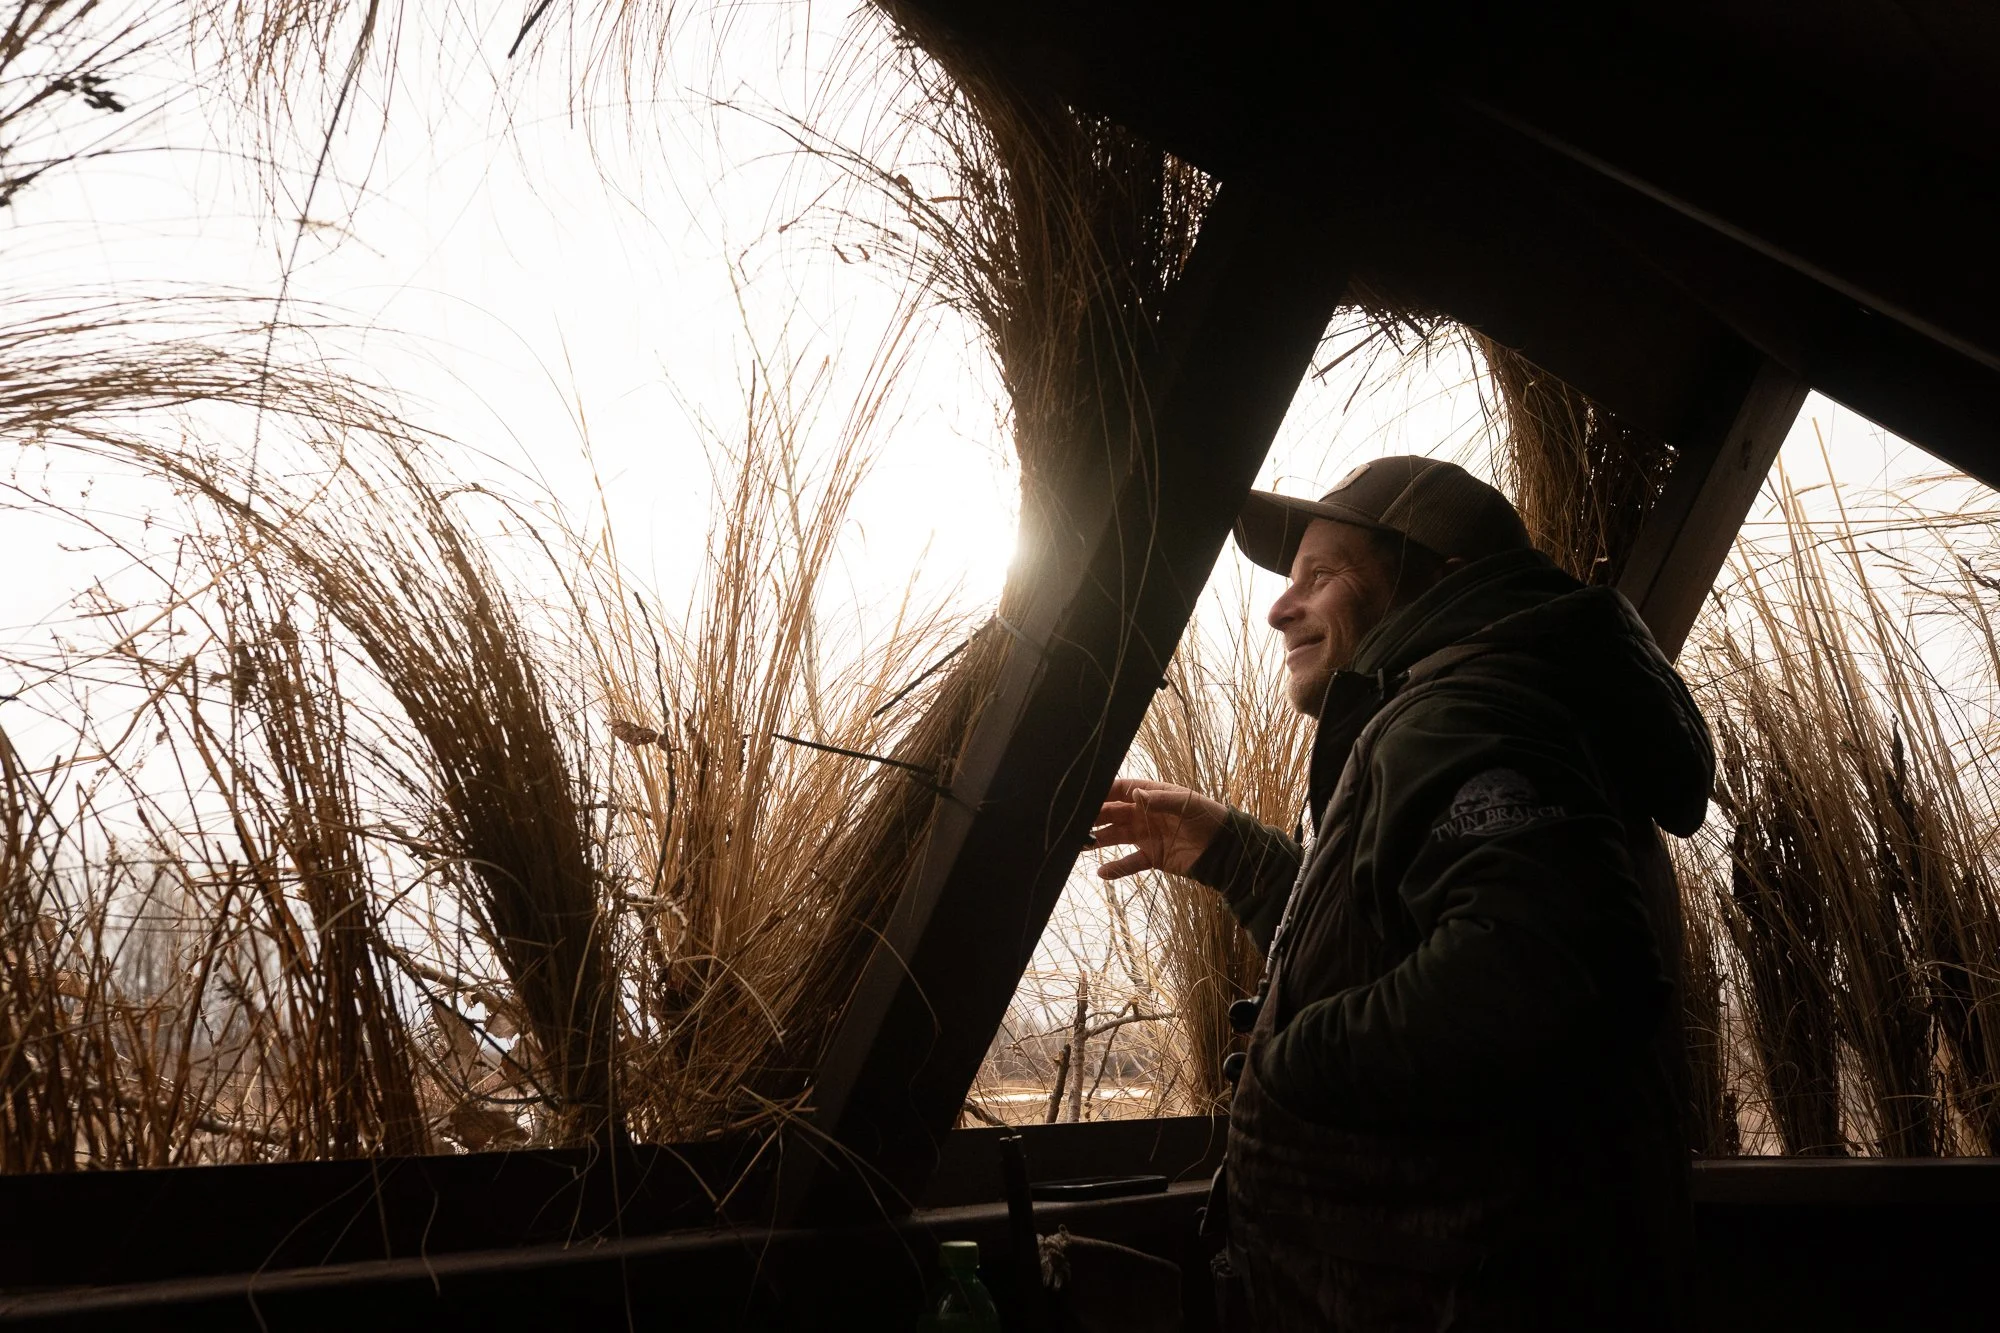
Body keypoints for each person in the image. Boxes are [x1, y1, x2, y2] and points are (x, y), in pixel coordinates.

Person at [1093, 456, 1713, 1331]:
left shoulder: (1469, 712)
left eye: (1322, 574)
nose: (1279, 606)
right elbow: (1402, 946)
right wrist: (1233, 853)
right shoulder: (1522, 703)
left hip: (1457, 1298)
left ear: (1443, 578)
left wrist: (1281, 1068)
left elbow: (1543, 974)